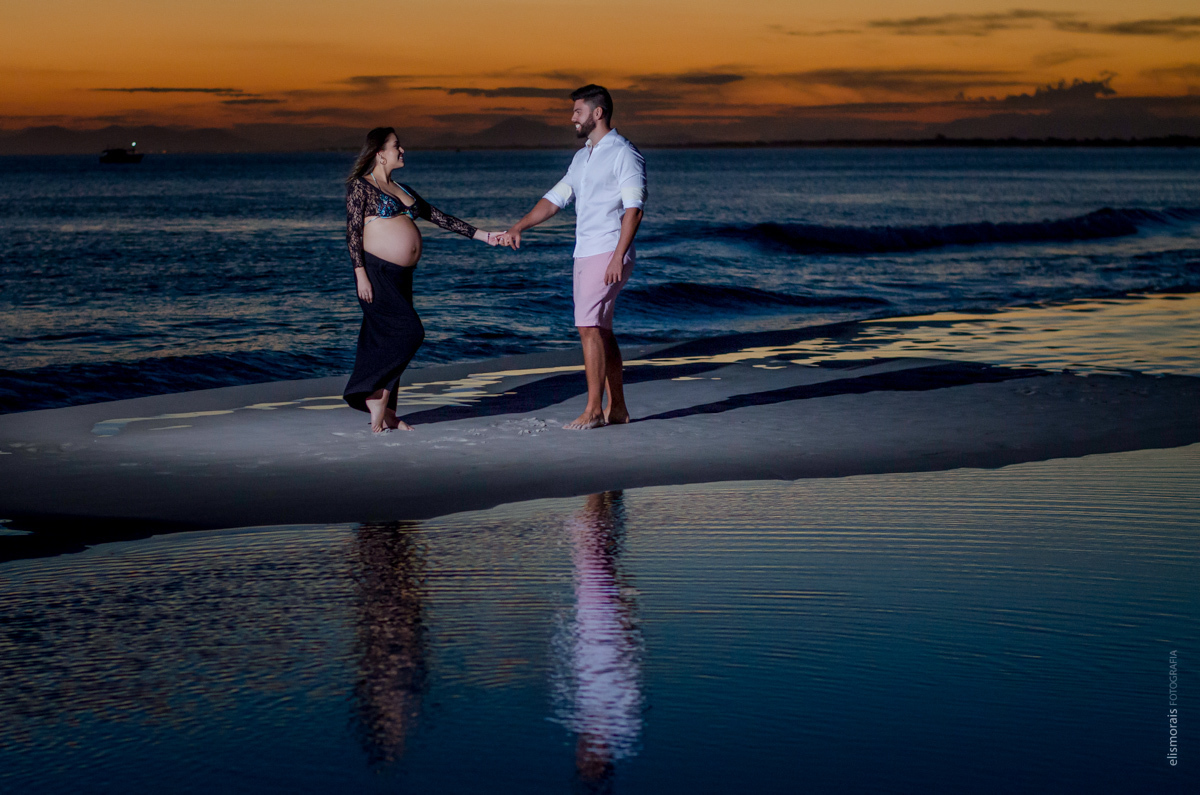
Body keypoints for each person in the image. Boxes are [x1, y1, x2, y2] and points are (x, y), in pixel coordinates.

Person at [501, 85, 647, 430]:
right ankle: (618, 409)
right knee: (601, 330)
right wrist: (519, 226)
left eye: (578, 111)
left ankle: (594, 410)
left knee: (587, 327)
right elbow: (555, 198)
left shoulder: (624, 153)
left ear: (598, 113)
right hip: (585, 253)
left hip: (607, 251)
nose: (572, 118)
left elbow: (634, 210)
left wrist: (617, 257)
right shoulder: (583, 156)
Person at [343, 127, 502, 432]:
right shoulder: (361, 187)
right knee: (410, 332)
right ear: (380, 153)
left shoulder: (403, 188)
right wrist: (360, 274)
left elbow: (439, 217)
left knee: (388, 337)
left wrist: (484, 236)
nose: (402, 151)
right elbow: (353, 233)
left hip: (402, 275)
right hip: (376, 274)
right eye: (396, 146)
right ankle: (377, 395)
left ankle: (389, 411)